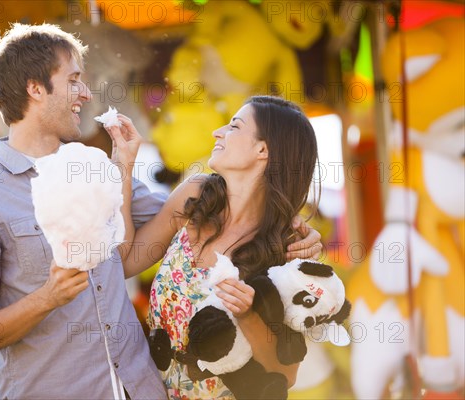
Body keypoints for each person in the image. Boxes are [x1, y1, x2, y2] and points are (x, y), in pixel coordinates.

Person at [0, 23, 169, 399]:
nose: (85, 93)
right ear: (35, 88)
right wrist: (48, 298)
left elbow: (179, 215)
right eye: (74, 80)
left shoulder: (94, 167)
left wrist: (283, 216)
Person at [106, 95, 322, 399]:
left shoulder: (286, 252)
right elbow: (125, 262)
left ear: (263, 149)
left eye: (234, 126)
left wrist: (248, 315)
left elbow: (284, 375)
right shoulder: (196, 196)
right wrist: (123, 167)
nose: (217, 132)